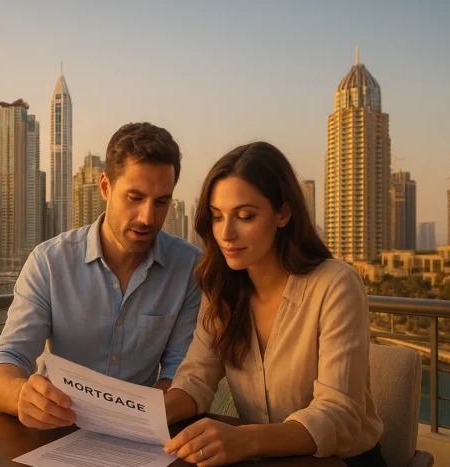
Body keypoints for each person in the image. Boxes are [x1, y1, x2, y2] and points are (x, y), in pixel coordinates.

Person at [163, 141, 385, 466]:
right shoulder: (221, 288)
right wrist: (136, 417)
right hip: (261, 458)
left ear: (283, 213)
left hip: (339, 462)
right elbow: (196, 377)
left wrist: (245, 439)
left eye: (245, 216)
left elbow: (339, 414)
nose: (226, 233)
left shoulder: (335, 285)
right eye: (216, 216)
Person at [0, 122, 202, 430]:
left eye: (161, 202)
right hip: (57, 429)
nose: (147, 218)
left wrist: (136, 418)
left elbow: (181, 374)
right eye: (134, 197)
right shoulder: (50, 262)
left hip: (139, 432)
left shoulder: (189, 267)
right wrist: (22, 395)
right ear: (105, 187)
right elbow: (5, 361)